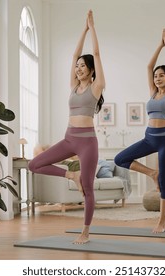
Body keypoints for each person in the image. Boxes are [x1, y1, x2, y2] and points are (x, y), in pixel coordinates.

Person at [28, 10, 105, 244]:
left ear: (91, 71)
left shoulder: (96, 87)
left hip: (87, 143)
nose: (79, 68)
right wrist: (82, 30)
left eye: (83, 66)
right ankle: (72, 174)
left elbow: (98, 54)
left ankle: (85, 231)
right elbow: (73, 55)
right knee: (34, 164)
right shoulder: (73, 86)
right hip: (69, 138)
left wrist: (92, 30)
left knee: (89, 189)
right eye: (78, 66)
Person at [114, 28, 165, 233]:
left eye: (161, 76)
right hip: (149, 138)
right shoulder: (152, 93)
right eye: (156, 76)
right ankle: (152, 173)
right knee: (120, 159)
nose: (157, 78)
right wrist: (158, 45)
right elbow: (149, 65)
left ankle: (161, 222)